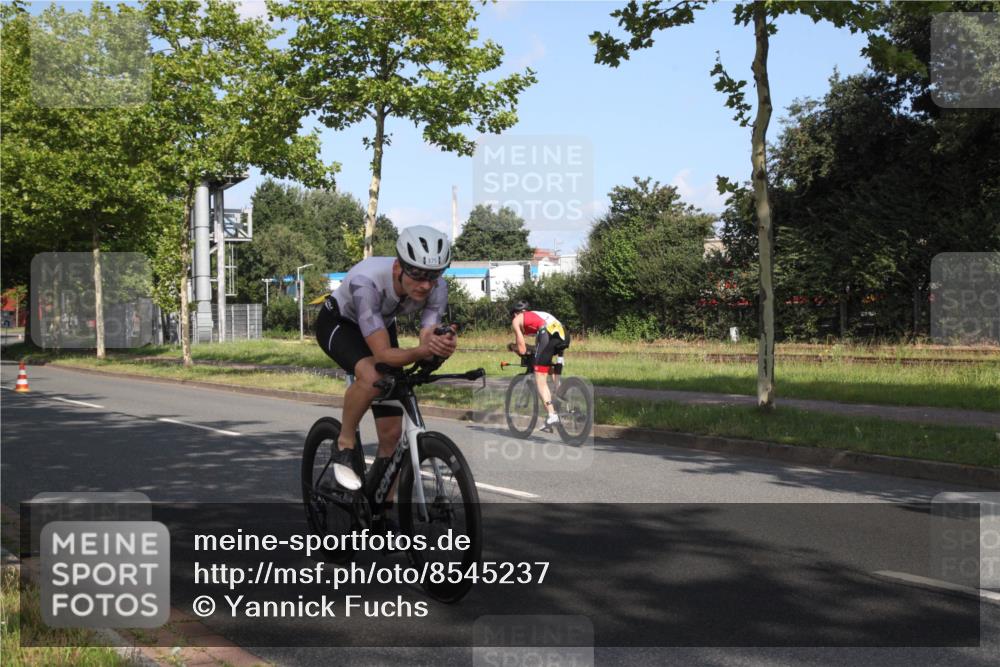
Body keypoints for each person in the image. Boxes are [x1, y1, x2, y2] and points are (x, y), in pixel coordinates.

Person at [315, 225, 457, 493]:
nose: (425, 284)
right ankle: (344, 444)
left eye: (434, 276)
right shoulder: (366, 281)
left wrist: (440, 343)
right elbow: (382, 355)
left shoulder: (436, 288)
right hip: (340, 323)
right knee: (373, 376)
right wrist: (421, 352)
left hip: (381, 321)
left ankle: (381, 509)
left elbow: (427, 335)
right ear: (397, 268)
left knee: (391, 435)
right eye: (416, 274)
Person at [508, 301, 568, 430]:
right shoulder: (538, 316)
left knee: (539, 377)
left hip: (547, 334)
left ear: (516, 314)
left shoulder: (516, 320)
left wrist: (513, 347)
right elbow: (539, 347)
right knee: (548, 368)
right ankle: (562, 400)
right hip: (563, 334)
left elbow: (523, 350)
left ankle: (552, 415)